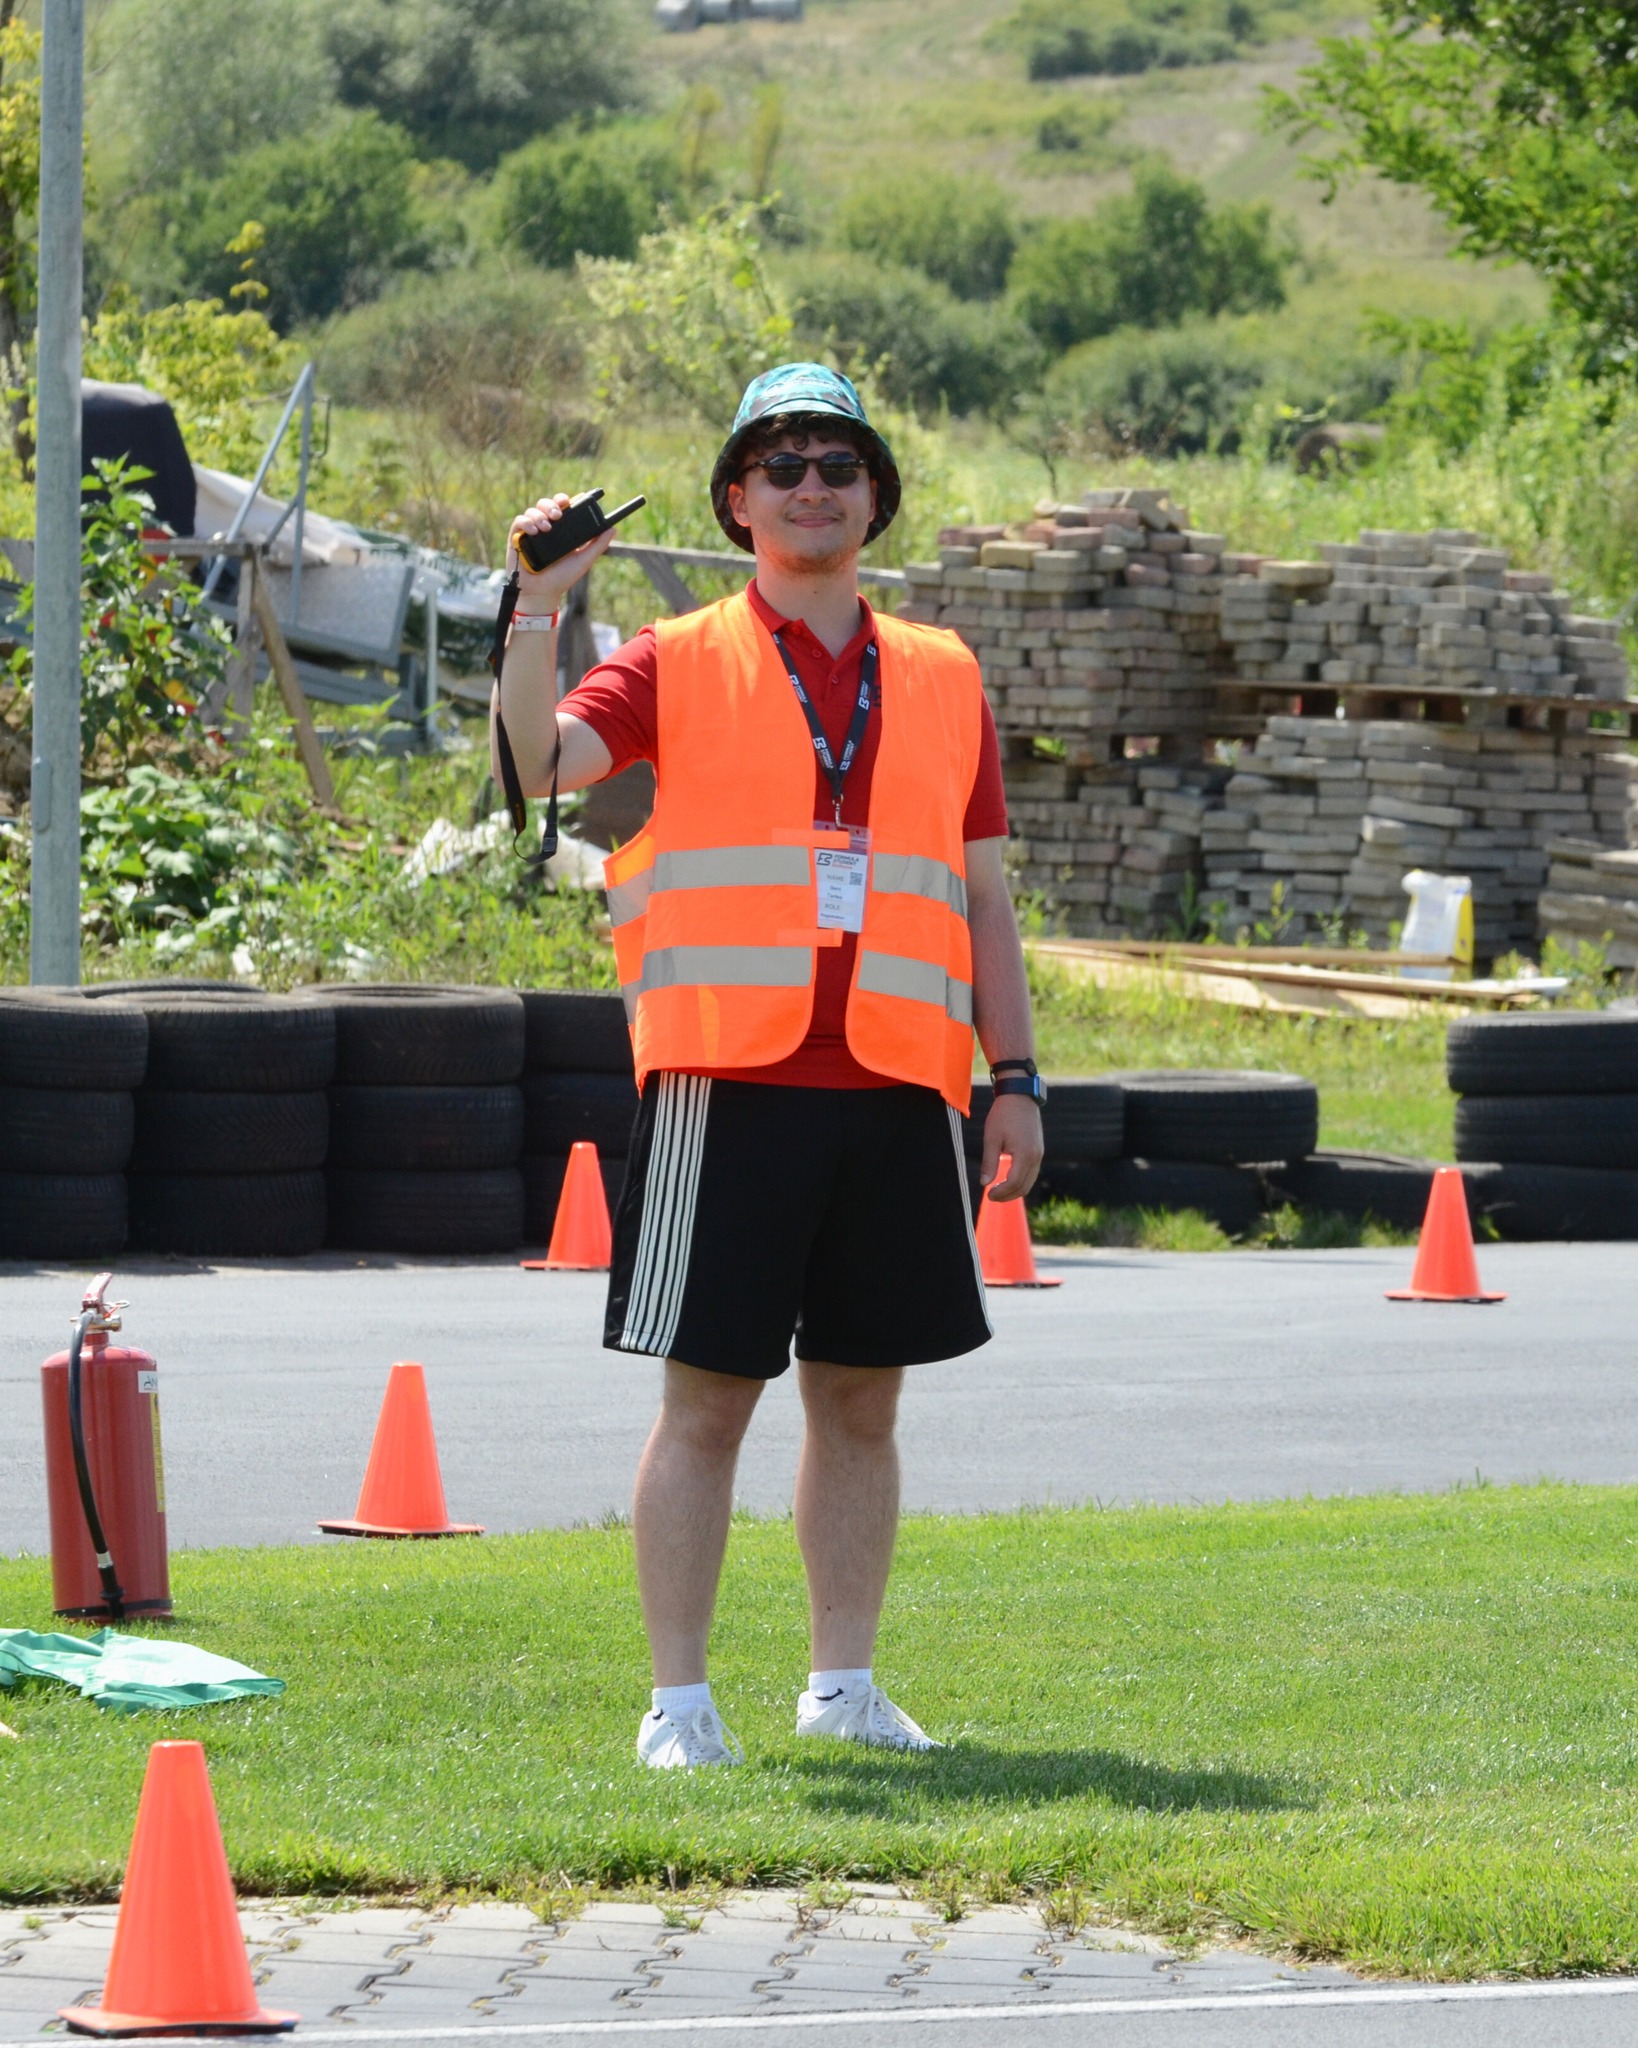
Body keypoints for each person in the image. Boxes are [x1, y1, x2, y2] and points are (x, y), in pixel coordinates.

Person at [491, 364, 1044, 1769]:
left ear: (873, 499)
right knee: (706, 1401)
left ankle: (841, 1687)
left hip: (896, 1081)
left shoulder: (942, 672)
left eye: (837, 463)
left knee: (861, 1401)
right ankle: (677, 1704)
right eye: (782, 463)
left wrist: (1017, 1074)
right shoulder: (676, 657)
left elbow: (982, 892)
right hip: (724, 1078)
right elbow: (533, 765)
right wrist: (540, 605)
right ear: (736, 503)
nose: (812, 483)